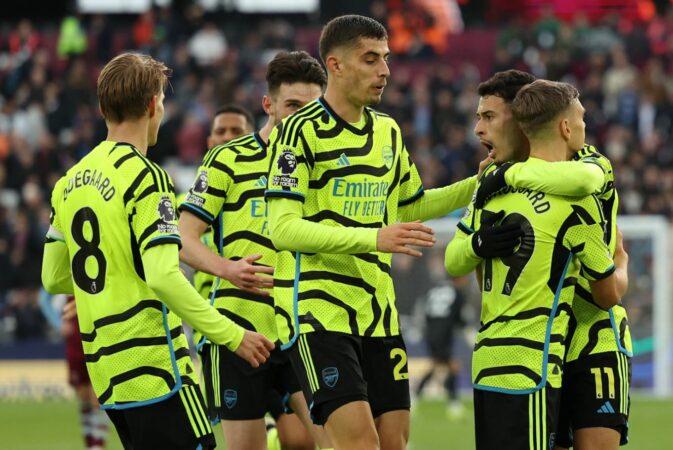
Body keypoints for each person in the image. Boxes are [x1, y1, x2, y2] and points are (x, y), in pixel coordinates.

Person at [263, 15, 505, 450]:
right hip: (318, 311)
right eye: (371, 59)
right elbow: (282, 228)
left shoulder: (387, 130)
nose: (385, 71)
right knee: (359, 443)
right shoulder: (299, 132)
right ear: (335, 65)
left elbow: (409, 205)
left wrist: (479, 183)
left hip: (377, 311)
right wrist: (372, 238)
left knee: (394, 442)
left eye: (386, 58)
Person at [41, 52, 273, 450]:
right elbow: (163, 276)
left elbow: (54, 277)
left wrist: (111, 278)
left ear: (103, 109)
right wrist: (233, 336)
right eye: (162, 100)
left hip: (108, 374)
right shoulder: (147, 178)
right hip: (157, 368)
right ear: (153, 105)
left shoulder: (69, 182)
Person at [446, 79, 628, 450]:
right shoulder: (493, 186)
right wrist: (480, 242)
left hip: (593, 336)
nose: (479, 129)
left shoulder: (587, 164)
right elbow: (459, 260)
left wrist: (506, 175)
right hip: (543, 346)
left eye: (488, 117)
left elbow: (586, 179)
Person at [179, 50, 331, 450]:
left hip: (303, 327)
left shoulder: (324, 164)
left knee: (333, 442)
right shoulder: (228, 158)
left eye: (312, 109)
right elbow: (183, 237)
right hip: (239, 329)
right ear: (269, 105)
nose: (302, 117)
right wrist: (227, 269)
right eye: (293, 106)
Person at [39, 293, 109, 450]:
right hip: (75, 343)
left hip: (98, 338)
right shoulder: (68, 280)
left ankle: (97, 446)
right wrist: (59, 324)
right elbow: (44, 298)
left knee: (98, 398)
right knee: (84, 398)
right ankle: (90, 444)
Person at [414, 275, 468, 419]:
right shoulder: (456, 292)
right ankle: (453, 404)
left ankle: (417, 397)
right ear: (458, 278)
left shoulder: (434, 290)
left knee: (440, 365)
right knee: (451, 366)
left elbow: (425, 313)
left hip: (431, 333)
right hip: (444, 333)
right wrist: (466, 329)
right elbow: (460, 318)